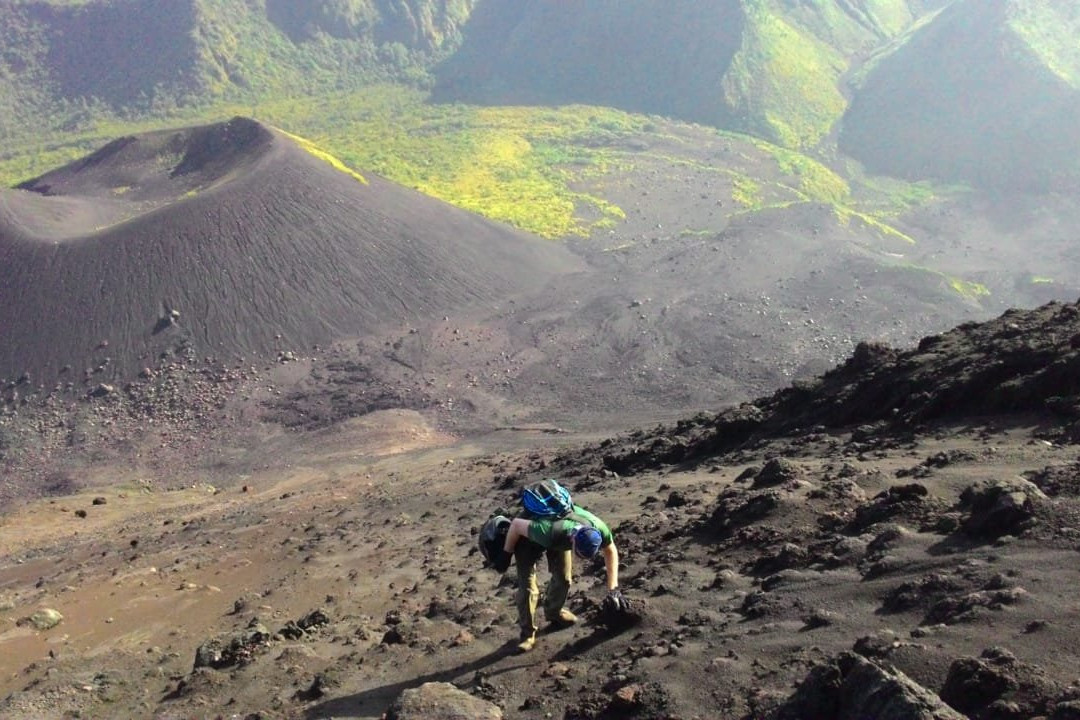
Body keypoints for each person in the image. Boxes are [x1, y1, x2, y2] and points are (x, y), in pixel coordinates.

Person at [491, 503, 628, 652]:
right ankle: (527, 634)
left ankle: (554, 613)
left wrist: (613, 589)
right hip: (526, 536)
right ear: (573, 541)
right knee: (529, 589)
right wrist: (506, 553)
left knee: (564, 578)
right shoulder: (549, 532)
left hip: (558, 536)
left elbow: (610, 550)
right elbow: (516, 525)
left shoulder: (598, 527)